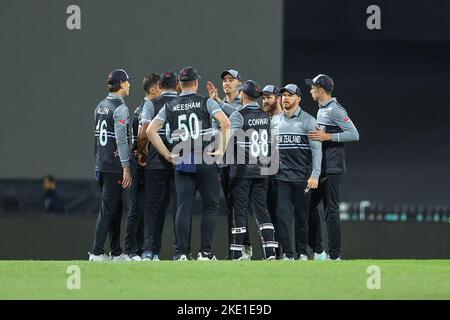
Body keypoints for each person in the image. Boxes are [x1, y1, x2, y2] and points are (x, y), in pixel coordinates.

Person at [148, 66, 230, 260]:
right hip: (204, 157)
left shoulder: (170, 106)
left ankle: (181, 253)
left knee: (183, 208)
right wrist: (220, 151)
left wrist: (167, 154)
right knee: (210, 205)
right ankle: (205, 252)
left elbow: (151, 130)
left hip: (183, 159)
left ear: (178, 85)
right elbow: (226, 124)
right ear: (196, 83)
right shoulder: (207, 102)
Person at [306, 74, 359, 261]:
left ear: (321, 90)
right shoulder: (322, 109)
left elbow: (354, 134)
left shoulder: (335, 110)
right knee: (309, 206)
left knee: (331, 210)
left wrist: (327, 137)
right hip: (322, 167)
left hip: (332, 168)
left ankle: (334, 256)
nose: (310, 90)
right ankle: (320, 251)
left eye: (312, 87)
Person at [271, 84, 322, 260]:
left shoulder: (309, 121)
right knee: (282, 218)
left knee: (302, 219)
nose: (285, 98)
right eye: (283, 95)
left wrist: (315, 175)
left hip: (303, 178)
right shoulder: (275, 121)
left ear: (298, 99)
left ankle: (301, 253)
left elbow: (317, 151)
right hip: (282, 178)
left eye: (290, 95)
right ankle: (287, 254)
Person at [228, 80, 277, 260]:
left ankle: (236, 254)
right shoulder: (266, 117)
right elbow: (271, 143)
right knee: (262, 211)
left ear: (243, 95)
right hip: (262, 171)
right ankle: (270, 253)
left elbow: (227, 138)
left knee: (240, 211)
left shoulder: (238, 115)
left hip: (242, 172)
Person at [206, 69, 252, 260]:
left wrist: (218, 102)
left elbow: (239, 116)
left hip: (240, 161)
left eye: (231, 80)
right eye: (225, 80)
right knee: (230, 208)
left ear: (239, 83)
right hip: (223, 162)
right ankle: (235, 251)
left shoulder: (243, 103)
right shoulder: (217, 106)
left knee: (239, 206)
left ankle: (245, 248)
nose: (227, 83)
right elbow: (215, 130)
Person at [89, 69, 133, 262]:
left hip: (101, 164)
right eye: (127, 82)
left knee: (114, 207)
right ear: (122, 84)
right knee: (108, 209)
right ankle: (97, 252)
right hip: (113, 166)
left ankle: (116, 252)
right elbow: (122, 141)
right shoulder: (120, 109)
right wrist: (126, 167)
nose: (129, 84)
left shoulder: (100, 106)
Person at [138, 71, 179, 261]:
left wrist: (141, 152)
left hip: (155, 162)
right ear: (177, 85)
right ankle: (180, 251)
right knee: (179, 208)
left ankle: (149, 251)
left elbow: (144, 132)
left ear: (160, 86)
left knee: (152, 208)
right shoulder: (183, 104)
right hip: (180, 161)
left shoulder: (151, 103)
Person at [124, 73, 160, 261]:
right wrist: (140, 154)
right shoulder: (146, 108)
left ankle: (138, 249)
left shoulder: (146, 107)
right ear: (153, 89)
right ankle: (130, 250)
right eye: (160, 87)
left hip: (143, 160)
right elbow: (141, 137)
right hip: (139, 160)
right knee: (137, 207)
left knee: (144, 206)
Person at [261, 85, 283, 258]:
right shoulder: (263, 119)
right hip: (266, 172)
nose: (265, 101)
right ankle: (273, 253)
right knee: (268, 213)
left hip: (284, 173)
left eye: (268, 97)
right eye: (263, 98)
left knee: (282, 214)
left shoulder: (286, 118)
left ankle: (287, 252)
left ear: (277, 97)